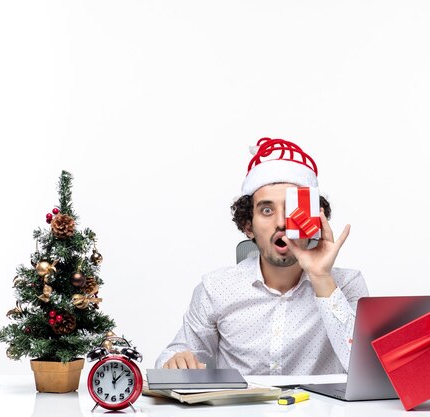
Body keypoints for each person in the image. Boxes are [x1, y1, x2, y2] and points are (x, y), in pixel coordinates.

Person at [155, 138, 368, 375]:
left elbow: (367, 372)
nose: (280, 223)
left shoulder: (347, 285)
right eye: (267, 210)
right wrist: (176, 361)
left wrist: (322, 279)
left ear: (315, 221)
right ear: (248, 227)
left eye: (293, 209)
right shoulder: (214, 289)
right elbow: (174, 357)